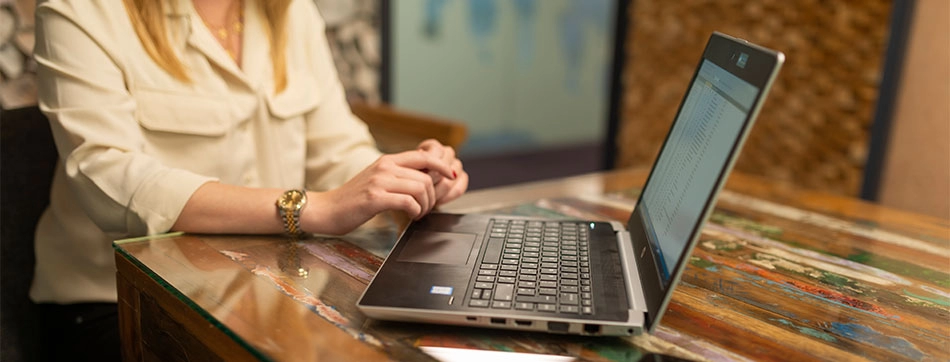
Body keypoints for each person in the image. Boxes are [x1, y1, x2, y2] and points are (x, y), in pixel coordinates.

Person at [30, 0, 468, 360]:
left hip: (275, 297)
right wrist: (312, 208)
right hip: (122, 303)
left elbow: (337, 150)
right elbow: (109, 180)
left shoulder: (291, 12)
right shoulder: (81, 10)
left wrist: (401, 183)